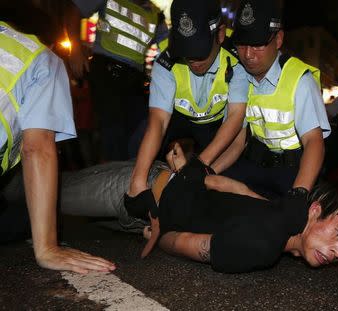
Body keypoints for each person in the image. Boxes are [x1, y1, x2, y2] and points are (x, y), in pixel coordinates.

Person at [136, 143, 338, 275]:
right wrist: (160, 234)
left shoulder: (276, 216)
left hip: (157, 188)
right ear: (316, 209)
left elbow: (233, 188)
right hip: (147, 195)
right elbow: (183, 242)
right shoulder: (264, 245)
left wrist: (186, 174)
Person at [0, 5, 115, 274]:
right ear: (48, 40)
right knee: (21, 221)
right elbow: (37, 148)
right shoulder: (41, 58)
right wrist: (47, 247)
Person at [126, 0, 249, 206]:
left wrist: (200, 167)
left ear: (219, 34)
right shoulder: (166, 61)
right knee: (137, 146)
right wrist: (137, 182)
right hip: (179, 118)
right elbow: (159, 122)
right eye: (186, 50)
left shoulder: (237, 58)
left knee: (230, 175)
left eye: (200, 51)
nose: (193, 60)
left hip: (218, 123)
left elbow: (236, 118)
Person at [211, 0, 330, 199]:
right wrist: (207, 171)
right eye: (242, 44)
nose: (248, 54)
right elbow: (237, 141)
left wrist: (298, 197)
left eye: (257, 44)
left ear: (278, 39)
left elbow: (314, 142)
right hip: (255, 165)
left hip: (292, 173)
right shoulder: (240, 77)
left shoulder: (299, 79)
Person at [66, 0, 161, 161]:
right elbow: (74, 10)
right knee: (113, 133)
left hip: (135, 81)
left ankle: (128, 177)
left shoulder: (155, 14)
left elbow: (169, 46)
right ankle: (112, 179)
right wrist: (75, 48)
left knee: (142, 131)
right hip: (106, 73)